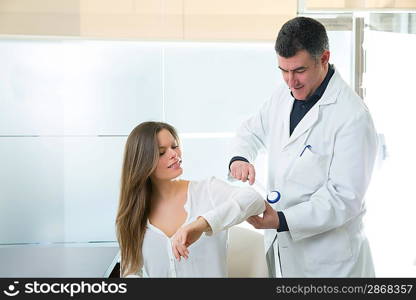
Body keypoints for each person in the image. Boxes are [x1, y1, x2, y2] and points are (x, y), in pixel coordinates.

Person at [228, 17, 378, 277]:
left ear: (324, 58)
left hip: (331, 264)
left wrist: (282, 219)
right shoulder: (282, 95)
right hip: (286, 253)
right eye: (283, 71)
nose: (290, 81)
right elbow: (251, 130)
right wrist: (240, 158)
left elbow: (344, 197)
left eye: (299, 70)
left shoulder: (352, 117)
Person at [115, 121, 265, 277]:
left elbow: (254, 199)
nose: (174, 154)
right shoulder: (130, 218)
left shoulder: (207, 191)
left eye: (174, 147)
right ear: (142, 162)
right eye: (161, 152)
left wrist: (201, 224)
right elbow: (130, 273)